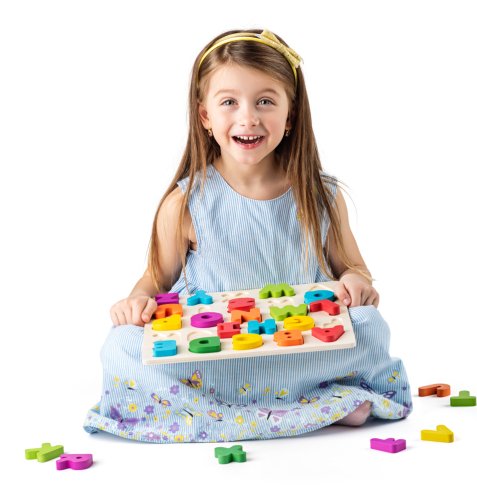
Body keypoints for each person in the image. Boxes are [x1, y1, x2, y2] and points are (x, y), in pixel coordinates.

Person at [84, 29, 412, 443]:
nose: (248, 118)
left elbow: (353, 268)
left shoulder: (321, 196)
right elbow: (156, 279)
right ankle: (319, 403)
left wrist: (355, 283)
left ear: (290, 115)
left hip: (299, 347)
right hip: (215, 357)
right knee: (121, 345)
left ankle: (228, 411)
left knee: (369, 324)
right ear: (205, 116)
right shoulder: (185, 202)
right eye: (229, 102)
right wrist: (137, 302)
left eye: (265, 101)